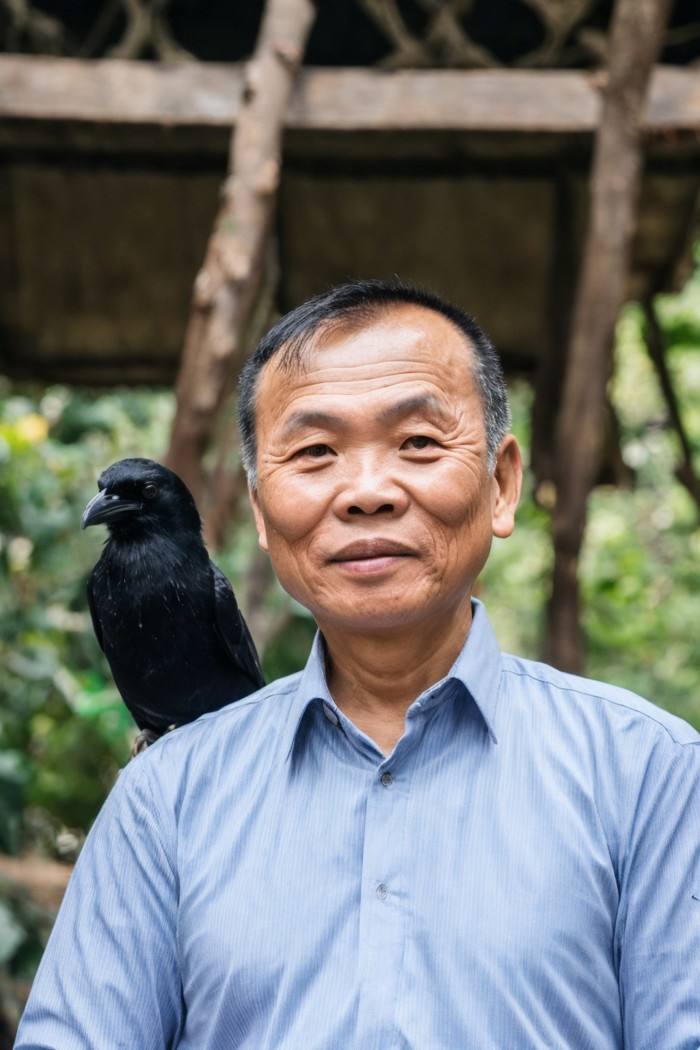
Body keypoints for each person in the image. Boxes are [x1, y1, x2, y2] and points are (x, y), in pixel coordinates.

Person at [16, 280, 700, 1049]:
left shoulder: (652, 775)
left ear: (502, 484)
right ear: (262, 513)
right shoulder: (163, 800)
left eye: (417, 443)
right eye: (315, 452)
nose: (367, 492)